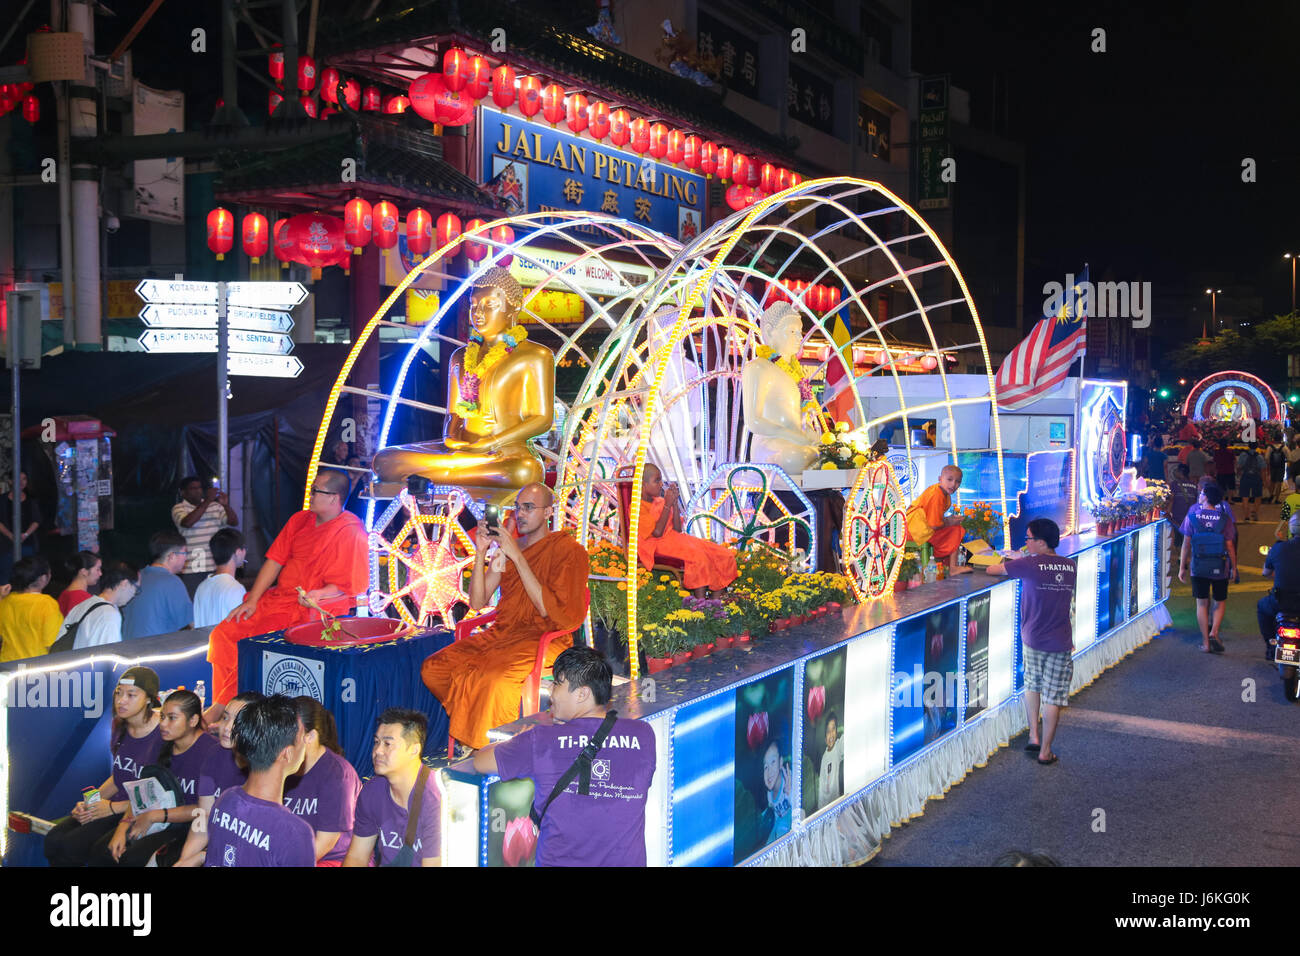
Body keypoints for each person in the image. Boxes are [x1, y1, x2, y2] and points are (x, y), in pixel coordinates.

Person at [422, 481, 588, 750]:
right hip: (502, 634)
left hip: (543, 638)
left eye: (529, 508)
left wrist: (517, 556)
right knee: (434, 668)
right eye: (518, 507)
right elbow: (477, 601)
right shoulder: (506, 551)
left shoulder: (568, 552)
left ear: (548, 513)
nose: (520, 513)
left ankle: (491, 750)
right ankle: (471, 724)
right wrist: (480, 553)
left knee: (494, 678)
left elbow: (549, 610)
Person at [205, 468, 367, 720]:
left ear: (334, 498)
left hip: (307, 609)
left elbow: (348, 586)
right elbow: (274, 560)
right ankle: (220, 699)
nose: (310, 494)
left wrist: (319, 594)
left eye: (316, 491)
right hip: (278, 599)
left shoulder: (351, 530)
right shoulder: (299, 520)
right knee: (223, 634)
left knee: (254, 644)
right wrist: (254, 600)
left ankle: (226, 709)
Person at [473, 647, 656, 866]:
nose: (550, 690)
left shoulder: (541, 741)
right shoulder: (643, 735)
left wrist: (516, 742)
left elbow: (480, 761)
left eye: (557, 683)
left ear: (582, 694)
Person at [43, 667, 163, 867]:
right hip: (112, 805)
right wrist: (90, 802)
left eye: (131, 695)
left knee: (75, 846)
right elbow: (118, 778)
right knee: (53, 840)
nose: (121, 700)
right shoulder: (119, 725)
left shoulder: (163, 734)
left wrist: (111, 808)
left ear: (150, 699)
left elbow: (159, 797)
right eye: (118, 693)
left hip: (135, 811)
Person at [988, 518, 1076, 765]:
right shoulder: (1070, 565)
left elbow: (991, 570)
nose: (1025, 543)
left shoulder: (1029, 565)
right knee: (1054, 696)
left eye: (1028, 539)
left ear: (1040, 541)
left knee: (1032, 685)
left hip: (1032, 638)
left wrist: (1012, 561)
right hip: (1060, 640)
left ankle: (1033, 736)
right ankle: (1045, 751)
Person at [102, 688, 217, 866]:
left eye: (172, 718)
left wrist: (155, 816)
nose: (163, 724)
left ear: (193, 720)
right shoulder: (161, 744)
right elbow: (143, 790)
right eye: (162, 717)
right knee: (104, 852)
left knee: (132, 858)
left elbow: (205, 810)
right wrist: (123, 826)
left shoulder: (211, 752)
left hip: (195, 828)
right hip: (159, 818)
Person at [202, 695, 316, 867]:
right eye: (302, 738)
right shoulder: (294, 833)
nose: (306, 744)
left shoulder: (225, 800)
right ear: (287, 753)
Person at [175, 690, 264, 867]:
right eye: (225, 718)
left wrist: (203, 856)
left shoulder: (265, 767)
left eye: (238, 722)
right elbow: (204, 815)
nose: (227, 727)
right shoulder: (215, 754)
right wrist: (184, 860)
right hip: (217, 846)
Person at [344, 709, 441, 867]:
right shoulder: (371, 791)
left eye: (388, 744)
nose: (378, 751)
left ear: (413, 750)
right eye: (376, 742)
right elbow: (357, 857)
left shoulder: (436, 797)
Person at [636, 463, 738, 596]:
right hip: (655, 545)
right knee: (698, 556)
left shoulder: (660, 501)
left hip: (675, 539)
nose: (661, 484)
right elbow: (657, 533)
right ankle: (700, 605)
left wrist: (674, 503)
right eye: (657, 480)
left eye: (660, 480)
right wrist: (667, 504)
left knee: (722, 553)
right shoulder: (637, 507)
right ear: (643, 485)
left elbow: (677, 529)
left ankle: (715, 603)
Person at [283, 696, 361, 866]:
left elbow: (325, 843)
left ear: (310, 736)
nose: (283, 738)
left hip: (335, 858)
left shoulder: (338, 774)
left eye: (290, 731)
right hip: (294, 852)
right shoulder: (283, 763)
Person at [1179, 482, 1236, 653]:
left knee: (1202, 603)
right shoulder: (1224, 519)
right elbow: (1230, 545)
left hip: (1198, 566)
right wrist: (1234, 567)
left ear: (1206, 497)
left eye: (1202, 493)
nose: (1199, 495)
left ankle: (1205, 643)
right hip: (1220, 566)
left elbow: (1185, 545)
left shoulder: (1193, 517)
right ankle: (1215, 631)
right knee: (1219, 601)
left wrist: (1182, 567)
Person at [172, 476, 239, 597]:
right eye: (193, 488)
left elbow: (234, 522)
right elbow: (187, 523)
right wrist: (207, 501)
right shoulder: (179, 508)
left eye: (199, 487)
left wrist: (226, 506)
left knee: (216, 600)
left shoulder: (215, 506)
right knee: (195, 600)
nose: (198, 491)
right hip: (193, 566)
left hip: (216, 563)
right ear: (183, 492)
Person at [120, 530, 193, 640]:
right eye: (184, 553)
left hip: (128, 648)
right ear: (172, 556)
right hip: (156, 651)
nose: (186, 558)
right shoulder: (172, 582)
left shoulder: (135, 576)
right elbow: (193, 623)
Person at [904, 465, 973, 576]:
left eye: (957, 481)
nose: (953, 484)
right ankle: (953, 567)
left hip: (919, 528)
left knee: (954, 528)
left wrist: (948, 520)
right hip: (915, 531)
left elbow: (935, 519)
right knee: (957, 530)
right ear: (940, 479)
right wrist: (950, 521)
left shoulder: (942, 492)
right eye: (949, 479)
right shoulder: (937, 494)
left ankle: (946, 566)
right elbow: (934, 525)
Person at [54, 561, 138, 651]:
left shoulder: (82, 606)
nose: (134, 594)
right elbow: (109, 658)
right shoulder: (109, 615)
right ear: (124, 584)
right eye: (136, 588)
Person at [0, 556, 62, 662]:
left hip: (7, 666)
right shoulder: (47, 604)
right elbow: (53, 645)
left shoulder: (6, 601)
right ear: (43, 578)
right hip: (35, 668)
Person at [1258, 514, 1300, 661]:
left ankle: (1271, 645)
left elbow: (1266, 573)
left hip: (1281, 602)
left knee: (1262, 607)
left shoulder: (1278, 548)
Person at [193, 528, 247, 628]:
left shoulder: (202, 586)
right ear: (238, 552)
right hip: (224, 643)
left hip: (205, 643)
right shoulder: (235, 588)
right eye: (244, 548)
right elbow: (239, 628)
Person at [0, 470, 42, 584]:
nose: (22, 482)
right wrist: (10, 535)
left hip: (28, 544)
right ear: (10, 481)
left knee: (28, 576)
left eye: (24, 479)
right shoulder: (3, 500)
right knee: (5, 575)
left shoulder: (31, 500)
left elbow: (36, 520)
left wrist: (25, 535)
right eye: (18, 478)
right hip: (6, 545)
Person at [57, 551, 103, 615]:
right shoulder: (85, 599)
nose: (100, 574)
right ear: (84, 571)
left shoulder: (63, 594)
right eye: (98, 569)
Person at [1167, 463, 1198, 551]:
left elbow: (1171, 499)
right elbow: (1196, 500)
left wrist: (1168, 513)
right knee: (1188, 537)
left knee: (1178, 538)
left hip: (1178, 515)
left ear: (1181, 472)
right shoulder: (1194, 485)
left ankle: (1179, 558)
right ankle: (1185, 558)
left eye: (1177, 470)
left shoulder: (1174, 484)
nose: (1175, 472)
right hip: (1190, 516)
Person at [817, 709, 844, 810]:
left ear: (837, 732)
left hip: (837, 802)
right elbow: (822, 784)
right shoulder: (824, 757)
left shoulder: (838, 747)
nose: (831, 734)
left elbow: (844, 742)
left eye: (833, 729)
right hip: (826, 806)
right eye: (828, 731)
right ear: (825, 737)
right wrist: (821, 808)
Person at [1237, 441, 1265, 522]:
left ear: (1248, 446)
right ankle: (1255, 513)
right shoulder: (1259, 456)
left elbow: (1239, 467)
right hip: (1256, 477)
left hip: (1245, 477)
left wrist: (1239, 475)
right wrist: (1264, 481)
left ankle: (1246, 517)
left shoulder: (1243, 455)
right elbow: (1263, 470)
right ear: (1257, 447)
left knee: (1245, 497)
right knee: (1258, 496)